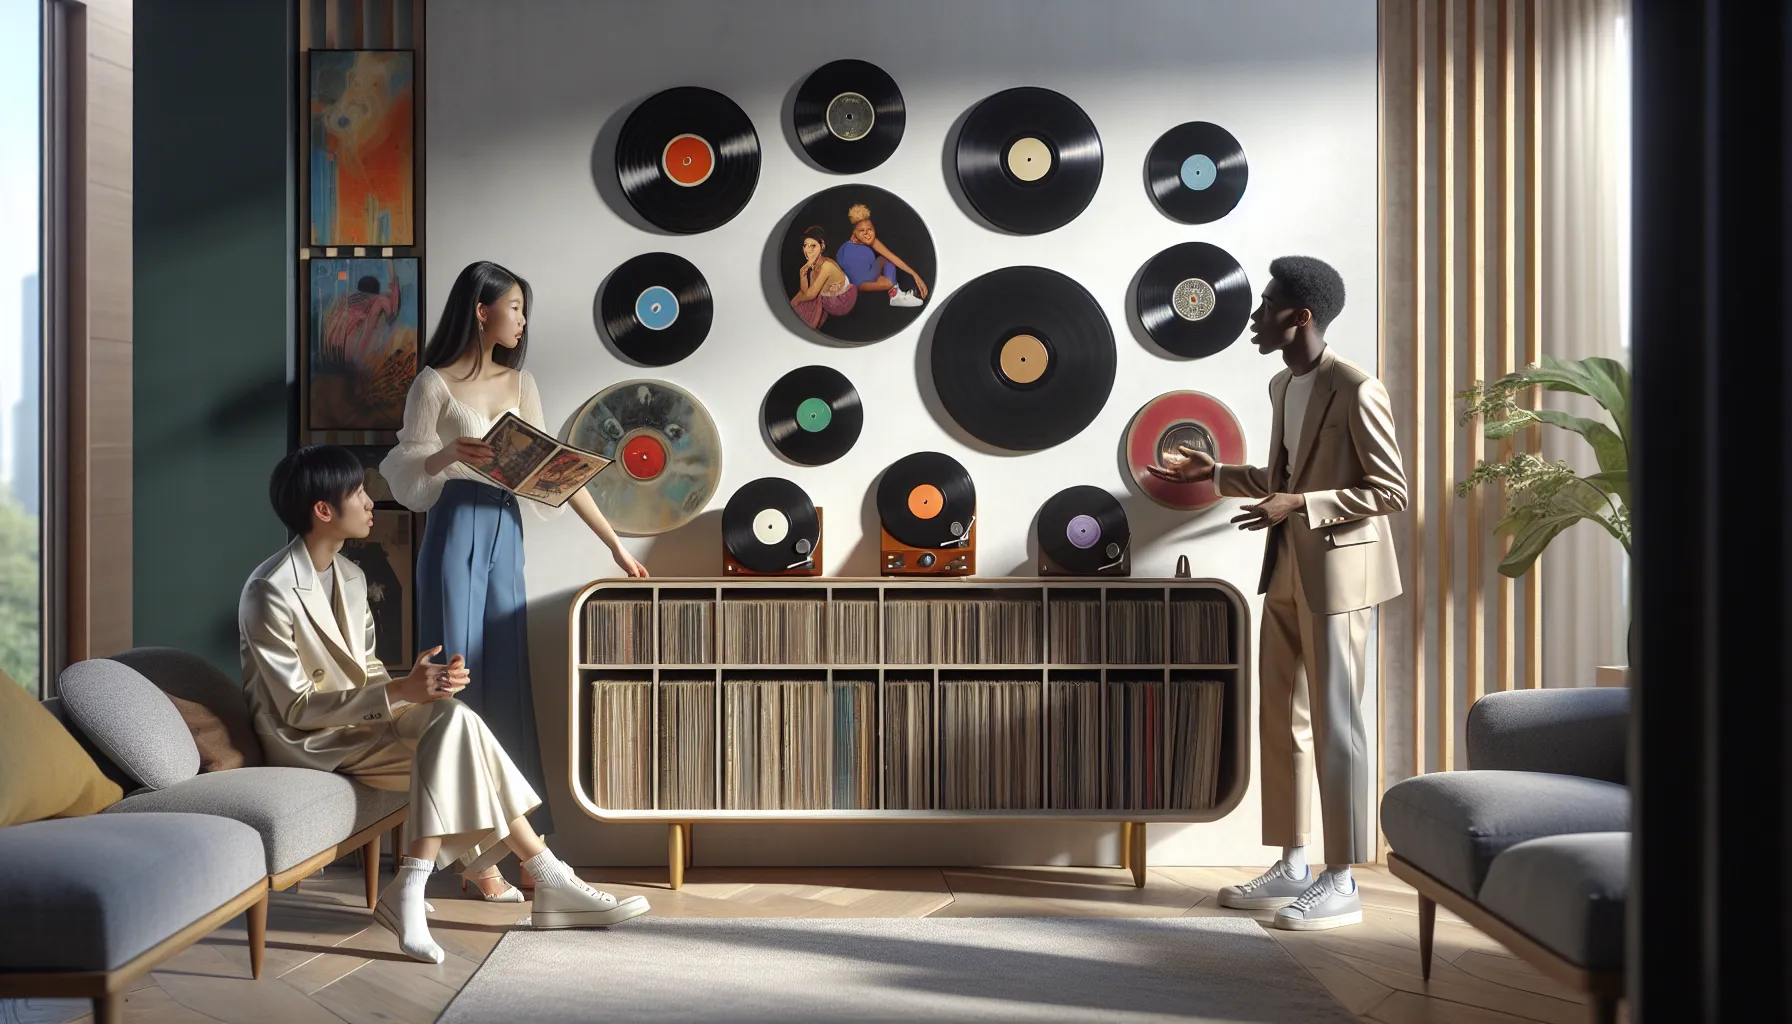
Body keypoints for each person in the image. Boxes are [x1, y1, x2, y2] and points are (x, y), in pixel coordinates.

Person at [240, 445, 651, 963]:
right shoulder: (269, 591)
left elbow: (365, 670)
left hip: (359, 724)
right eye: (359, 493)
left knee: (454, 718)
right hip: (307, 740)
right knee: (460, 732)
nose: (372, 502)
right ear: (324, 510)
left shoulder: (350, 575)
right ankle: (543, 880)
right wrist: (399, 693)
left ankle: (427, 885)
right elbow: (296, 708)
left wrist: (420, 686)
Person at [1150, 256, 1407, 932]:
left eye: (1267, 306)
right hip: (1286, 569)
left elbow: (1390, 492)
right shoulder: (1280, 386)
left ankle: (1343, 878)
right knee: (1281, 718)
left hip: (1342, 578)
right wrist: (1223, 474)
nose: (1256, 317)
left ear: (1301, 315)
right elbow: (1284, 473)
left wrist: (1297, 502)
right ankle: (1293, 863)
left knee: (1336, 725)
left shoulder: (1356, 388)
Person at [380, 261, 649, 900]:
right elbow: (406, 479)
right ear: (482, 310)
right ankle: (475, 862)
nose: (523, 320)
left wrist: (615, 544)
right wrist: (450, 455)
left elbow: (557, 472)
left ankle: (516, 850)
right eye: (516, 307)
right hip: (453, 530)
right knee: (455, 684)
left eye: (524, 309)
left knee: (506, 682)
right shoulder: (433, 385)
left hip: (507, 534)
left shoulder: (520, 382)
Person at [836, 203, 928, 308]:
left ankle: (896, 294)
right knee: (885, 263)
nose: (867, 233)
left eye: (869, 229)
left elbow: (892, 256)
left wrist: (915, 275)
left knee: (886, 259)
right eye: (862, 231)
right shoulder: (848, 249)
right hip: (857, 283)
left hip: (865, 276)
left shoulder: (867, 241)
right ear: (854, 234)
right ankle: (895, 296)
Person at [789, 225, 858, 329]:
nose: (808, 250)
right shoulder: (815, 266)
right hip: (828, 295)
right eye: (805, 245)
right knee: (798, 306)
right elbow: (805, 291)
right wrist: (802, 275)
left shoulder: (826, 266)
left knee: (800, 307)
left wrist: (797, 300)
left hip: (841, 302)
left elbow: (810, 295)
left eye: (813, 246)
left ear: (822, 246)